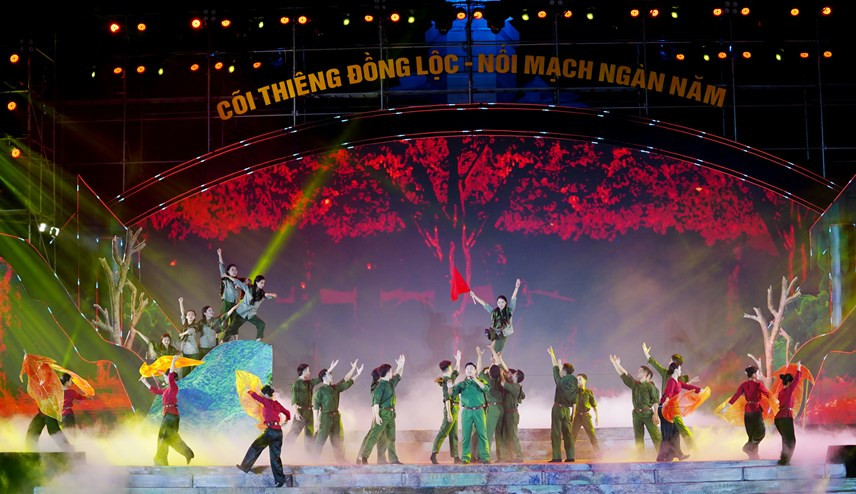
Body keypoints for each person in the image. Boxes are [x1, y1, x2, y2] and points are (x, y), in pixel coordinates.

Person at [140, 356, 194, 466]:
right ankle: (187, 453)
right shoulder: (166, 390)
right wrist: (144, 381)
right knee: (169, 438)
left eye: (166, 377)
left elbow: (170, 376)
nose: (165, 378)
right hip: (168, 415)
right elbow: (155, 391)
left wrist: (173, 361)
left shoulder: (174, 387)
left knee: (164, 437)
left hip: (171, 416)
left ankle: (161, 460)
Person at [643, 343, 698, 450]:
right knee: (669, 430)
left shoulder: (678, 377)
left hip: (673, 406)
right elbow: (654, 363)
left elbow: (682, 385)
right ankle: (670, 451)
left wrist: (690, 382)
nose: (669, 362)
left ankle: (689, 448)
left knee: (679, 427)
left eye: (671, 361)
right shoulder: (665, 373)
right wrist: (646, 353)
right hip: (665, 405)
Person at [236, 384, 291, 488]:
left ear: (265, 394)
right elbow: (287, 412)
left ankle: (245, 466)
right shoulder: (277, 404)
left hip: (270, 431)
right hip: (278, 432)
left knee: (255, 446)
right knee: (275, 457)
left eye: (262, 394)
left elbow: (256, 397)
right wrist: (286, 421)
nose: (261, 395)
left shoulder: (266, 401)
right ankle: (280, 480)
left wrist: (249, 390)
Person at [608, 355, 661, 456]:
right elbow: (624, 375)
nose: (638, 372)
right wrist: (616, 364)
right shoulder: (635, 384)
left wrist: (656, 414)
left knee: (656, 435)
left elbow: (655, 401)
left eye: (640, 371)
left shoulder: (650, 386)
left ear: (646, 374)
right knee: (638, 437)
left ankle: (662, 455)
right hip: (636, 414)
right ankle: (640, 457)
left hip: (648, 413)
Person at [358, 355, 405, 464]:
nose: (392, 372)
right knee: (374, 436)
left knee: (391, 437)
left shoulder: (390, 383)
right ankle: (364, 457)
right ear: (387, 373)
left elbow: (398, 376)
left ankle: (393, 459)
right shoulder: (379, 386)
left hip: (391, 414)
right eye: (391, 371)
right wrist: (377, 416)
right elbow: (375, 403)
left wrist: (401, 365)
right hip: (383, 413)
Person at [313, 360, 363, 460]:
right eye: (329, 374)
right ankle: (314, 459)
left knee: (338, 439)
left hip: (336, 417)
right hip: (325, 417)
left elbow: (346, 381)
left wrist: (356, 372)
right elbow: (316, 407)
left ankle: (341, 460)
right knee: (320, 439)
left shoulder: (335, 388)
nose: (331, 375)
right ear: (324, 378)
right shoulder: (320, 391)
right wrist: (316, 421)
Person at [722, 365, 771, 460]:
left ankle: (754, 457)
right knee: (760, 433)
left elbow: (736, 396)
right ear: (753, 375)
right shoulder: (758, 385)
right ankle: (747, 448)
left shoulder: (743, 385)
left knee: (751, 435)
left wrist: (726, 407)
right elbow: (768, 394)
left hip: (747, 412)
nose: (758, 375)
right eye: (757, 373)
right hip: (755, 410)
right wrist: (777, 401)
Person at [286, 360, 337, 449]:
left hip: (309, 412)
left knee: (309, 435)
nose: (309, 373)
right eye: (308, 371)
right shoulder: (296, 384)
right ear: (304, 371)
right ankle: (284, 450)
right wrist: (296, 412)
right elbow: (294, 399)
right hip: (301, 412)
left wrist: (330, 368)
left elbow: (320, 378)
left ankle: (309, 454)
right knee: (294, 433)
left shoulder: (309, 383)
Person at [656, 362, 701, 462]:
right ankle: (662, 456)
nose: (681, 371)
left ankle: (676, 454)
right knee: (667, 433)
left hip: (670, 409)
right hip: (665, 408)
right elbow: (669, 392)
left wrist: (700, 390)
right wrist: (666, 401)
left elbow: (688, 387)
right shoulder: (671, 381)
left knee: (675, 432)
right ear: (676, 370)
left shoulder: (677, 382)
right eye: (680, 369)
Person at [449, 357, 490, 464]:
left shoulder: (481, 381)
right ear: (465, 371)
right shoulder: (462, 384)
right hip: (467, 412)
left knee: (482, 435)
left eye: (471, 368)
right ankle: (466, 457)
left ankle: (485, 457)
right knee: (466, 436)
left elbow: (486, 388)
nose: (469, 370)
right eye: (467, 369)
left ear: (475, 370)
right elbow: (451, 393)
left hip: (479, 411)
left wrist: (475, 379)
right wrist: (449, 387)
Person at [491, 348, 524, 463]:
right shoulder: (512, 383)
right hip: (506, 412)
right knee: (505, 436)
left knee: (513, 436)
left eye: (513, 374)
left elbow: (502, 381)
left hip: (512, 414)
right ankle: (506, 457)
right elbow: (506, 370)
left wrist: (500, 373)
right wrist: (499, 358)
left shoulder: (515, 387)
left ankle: (519, 456)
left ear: (517, 377)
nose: (511, 374)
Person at [470, 279, 521, 354]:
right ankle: (491, 336)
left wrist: (516, 287)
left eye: (502, 302)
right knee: (494, 354)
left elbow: (513, 298)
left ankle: (493, 349)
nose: (501, 304)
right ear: (497, 303)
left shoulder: (509, 311)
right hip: (495, 332)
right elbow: (485, 304)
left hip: (503, 335)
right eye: (499, 302)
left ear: (506, 303)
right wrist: (474, 296)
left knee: (496, 354)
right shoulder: (494, 312)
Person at [222, 275, 277, 341]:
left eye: (264, 283)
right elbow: (238, 282)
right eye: (261, 283)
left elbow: (272, 296)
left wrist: (271, 294)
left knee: (261, 324)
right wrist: (227, 276)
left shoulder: (262, 294)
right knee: (231, 329)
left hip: (251, 315)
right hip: (241, 313)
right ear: (257, 282)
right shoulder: (248, 288)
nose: (263, 285)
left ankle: (257, 342)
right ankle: (223, 342)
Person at [430, 350, 462, 464]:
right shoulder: (445, 381)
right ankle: (434, 453)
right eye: (451, 367)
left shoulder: (450, 378)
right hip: (451, 408)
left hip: (455, 408)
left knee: (454, 433)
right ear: (449, 368)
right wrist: (449, 413)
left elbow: (456, 371)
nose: (453, 368)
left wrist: (458, 360)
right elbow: (447, 398)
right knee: (443, 431)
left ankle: (456, 457)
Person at [547, 346, 577, 462]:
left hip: (558, 408)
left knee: (556, 433)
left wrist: (552, 355)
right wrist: (573, 413)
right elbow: (575, 399)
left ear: (564, 371)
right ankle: (570, 456)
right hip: (567, 410)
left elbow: (555, 369)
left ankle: (557, 457)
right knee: (568, 434)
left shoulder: (561, 381)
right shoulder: (574, 381)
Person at [357, 368, 388, 464]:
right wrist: (375, 416)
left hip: (382, 414)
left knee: (383, 436)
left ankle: (381, 459)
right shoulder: (377, 386)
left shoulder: (381, 385)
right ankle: (361, 457)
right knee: (372, 436)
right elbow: (374, 403)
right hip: (378, 414)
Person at [774, 362, 802, 465]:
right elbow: (797, 380)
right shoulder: (789, 390)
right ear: (790, 382)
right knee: (791, 441)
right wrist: (798, 368)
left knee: (786, 440)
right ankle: (785, 460)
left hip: (779, 418)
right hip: (785, 417)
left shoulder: (781, 392)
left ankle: (784, 459)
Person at [571, 373, 600, 454]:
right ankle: (569, 455)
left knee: (592, 435)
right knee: (572, 436)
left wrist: (597, 417)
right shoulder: (574, 392)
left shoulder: (589, 392)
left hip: (586, 416)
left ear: (585, 381)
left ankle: (598, 453)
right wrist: (571, 416)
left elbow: (594, 406)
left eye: (580, 379)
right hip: (576, 416)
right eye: (577, 380)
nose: (578, 381)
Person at [217, 247, 245, 327]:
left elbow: (247, 283)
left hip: (235, 304)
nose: (235, 271)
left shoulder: (238, 281)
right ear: (228, 272)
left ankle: (232, 335)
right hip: (227, 302)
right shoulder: (226, 279)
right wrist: (220, 254)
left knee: (234, 323)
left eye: (236, 270)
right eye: (232, 270)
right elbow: (222, 266)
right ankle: (219, 335)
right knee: (224, 321)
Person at [177, 297, 201, 377]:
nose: (190, 316)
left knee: (194, 372)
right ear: (187, 317)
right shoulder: (185, 324)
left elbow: (190, 331)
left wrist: (182, 334)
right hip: (185, 352)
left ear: (194, 317)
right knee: (185, 373)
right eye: (189, 314)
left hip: (193, 352)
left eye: (192, 315)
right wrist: (181, 303)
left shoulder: (195, 326)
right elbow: (182, 313)